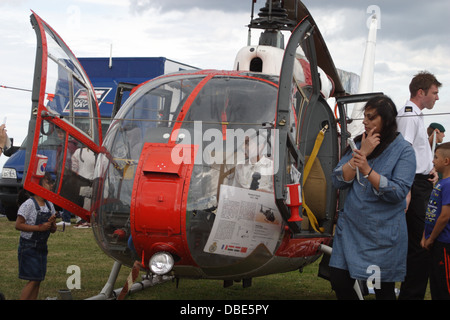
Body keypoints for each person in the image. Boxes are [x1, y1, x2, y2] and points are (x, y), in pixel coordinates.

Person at [330, 95, 416, 300]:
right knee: (339, 280)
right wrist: (362, 154)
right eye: (365, 117)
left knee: (380, 290)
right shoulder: (359, 144)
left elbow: (398, 193)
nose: (364, 122)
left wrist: (367, 170)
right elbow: (338, 181)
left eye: (371, 117)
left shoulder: (404, 150)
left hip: (380, 235)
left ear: (385, 120)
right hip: (350, 230)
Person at [396, 71, 442, 300]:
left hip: (420, 182)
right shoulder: (408, 115)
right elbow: (402, 153)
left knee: (420, 242)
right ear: (421, 92)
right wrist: (407, 190)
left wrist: (429, 169)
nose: (437, 98)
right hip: (413, 185)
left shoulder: (415, 115)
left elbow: (413, 154)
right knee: (420, 244)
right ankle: (411, 295)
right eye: (435, 93)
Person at [15, 173, 57, 300]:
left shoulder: (50, 205)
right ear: (38, 187)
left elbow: (53, 230)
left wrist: (52, 223)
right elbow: (18, 225)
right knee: (33, 280)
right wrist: (39, 228)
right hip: (28, 247)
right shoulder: (28, 204)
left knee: (38, 279)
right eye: (48, 183)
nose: (51, 185)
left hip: (41, 247)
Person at [421, 142, 450, 299]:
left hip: (444, 244)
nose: (433, 161)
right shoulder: (440, 184)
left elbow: (444, 216)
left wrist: (431, 238)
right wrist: (425, 236)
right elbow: (432, 214)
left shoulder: (449, 185)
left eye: (436, 157)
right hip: (434, 243)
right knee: (436, 286)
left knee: (445, 287)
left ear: (446, 161)